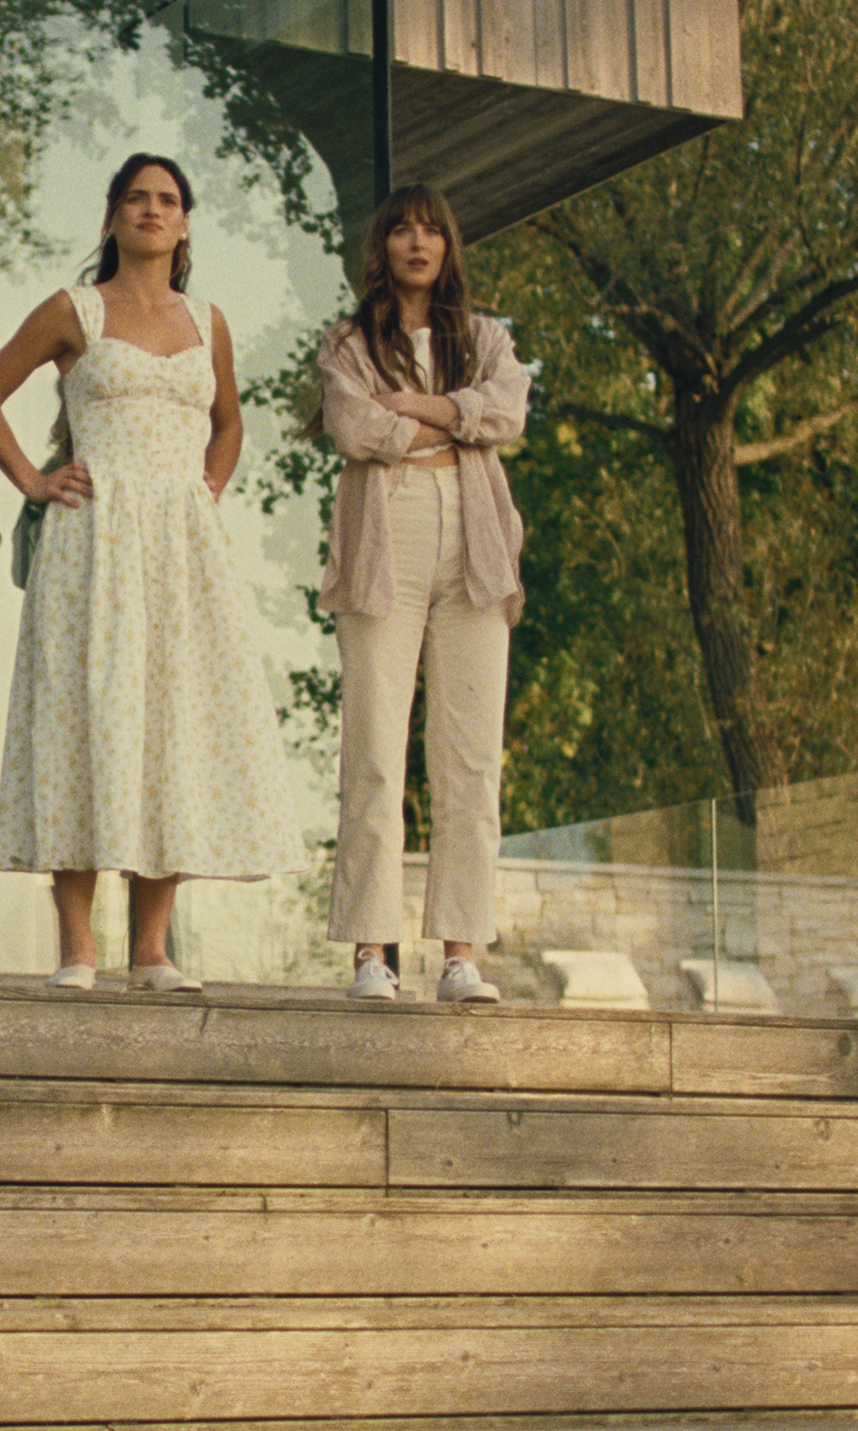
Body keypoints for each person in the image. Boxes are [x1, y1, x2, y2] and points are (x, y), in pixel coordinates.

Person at [0, 152, 302, 992]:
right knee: (84, 717)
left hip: (179, 550)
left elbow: (229, 424)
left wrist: (208, 488)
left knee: (171, 722)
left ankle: (152, 947)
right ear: (113, 216)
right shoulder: (75, 309)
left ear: (186, 222)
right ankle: (78, 947)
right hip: (93, 538)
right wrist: (35, 482)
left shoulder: (207, 321)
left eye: (168, 201)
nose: (153, 211)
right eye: (137, 199)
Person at [314, 183, 529, 1003]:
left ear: (448, 247)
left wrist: (424, 406)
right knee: (374, 747)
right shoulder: (349, 341)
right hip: (386, 534)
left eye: (431, 230)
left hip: (473, 535)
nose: (416, 242)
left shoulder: (485, 337)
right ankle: (373, 950)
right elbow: (355, 426)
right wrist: (450, 420)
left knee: (470, 755)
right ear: (384, 246)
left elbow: (505, 412)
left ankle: (461, 953)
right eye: (402, 229)